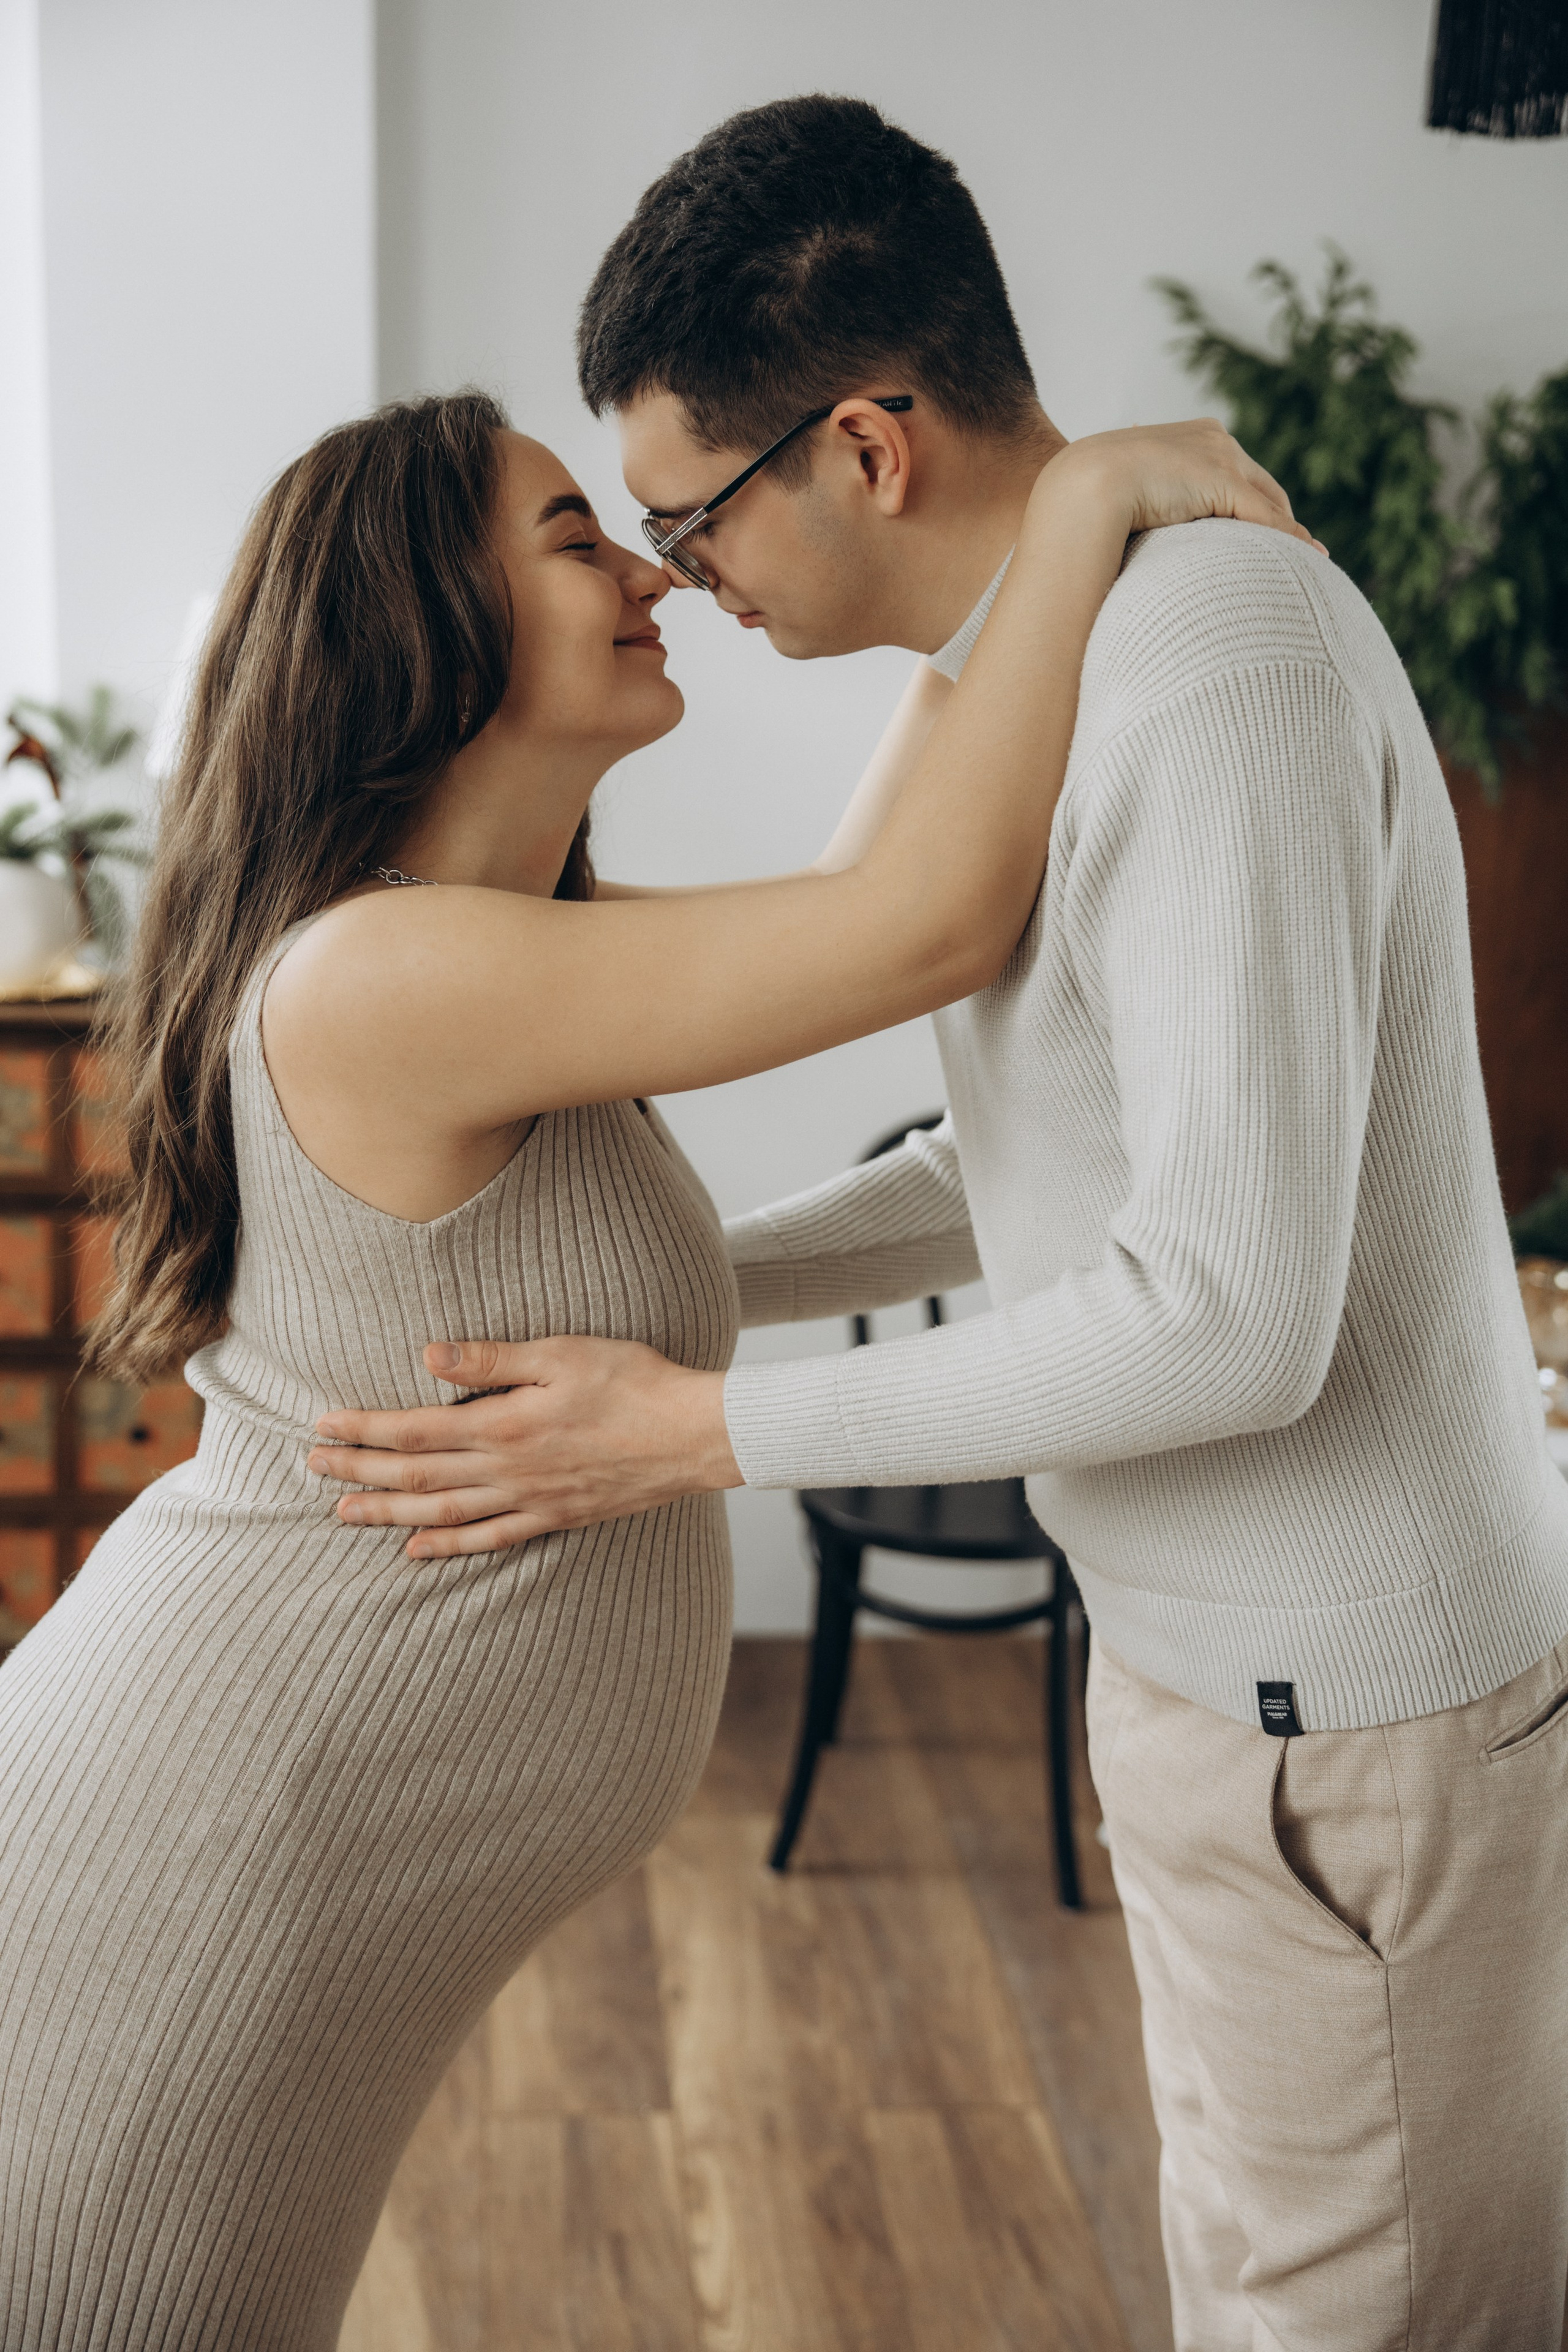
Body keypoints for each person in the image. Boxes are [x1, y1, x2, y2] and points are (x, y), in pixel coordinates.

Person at [312, 98, 1568, 2352]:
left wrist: (689, 1427)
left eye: (692, 518)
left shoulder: (1216, 672)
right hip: (1229, 1683)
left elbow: (1229, 1313)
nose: (685, 578)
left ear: (865, 450)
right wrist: (675, 1290)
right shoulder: (1049, 670)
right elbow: (1024, 1165)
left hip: (1345, 1722)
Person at [0, 384, 1291, 2349]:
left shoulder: (498, 944)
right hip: (193, 1860)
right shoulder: (384, 976)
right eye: (573, 539)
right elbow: (922, 920)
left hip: (284, 1872)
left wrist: (998, 561)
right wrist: (1093, 490)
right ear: (420, 618)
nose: (652, 570)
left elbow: (905, 886)